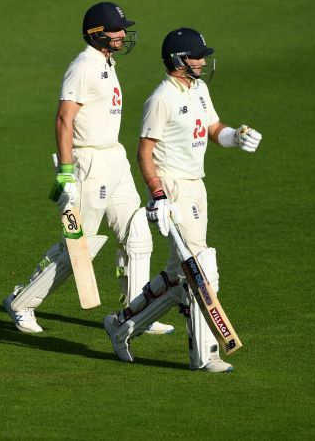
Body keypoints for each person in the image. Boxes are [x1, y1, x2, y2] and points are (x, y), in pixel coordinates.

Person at [3, 2, 173, 336]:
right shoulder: (83, 66)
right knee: (81, 244)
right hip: (88, 163)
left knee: (136, 231)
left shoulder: (106, 62)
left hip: (115, 157)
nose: (122, 35)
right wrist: (66, 171)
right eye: (116, 30)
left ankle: (135, 311)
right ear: (96, 34)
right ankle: (21, 302)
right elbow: (64, 118)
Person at [102, 27, 262, 372]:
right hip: (172, 187)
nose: (203, 61)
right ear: (178, 60)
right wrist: (157, 195)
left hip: (196, 185)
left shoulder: (199, 89)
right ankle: (204, 355)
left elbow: (213, 128)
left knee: (179, 275)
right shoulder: (162, 98)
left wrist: (238, 136)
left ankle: (121, 325)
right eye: (196, 56)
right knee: (201, 268)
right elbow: (144, 152)